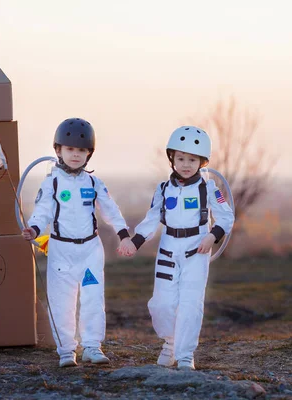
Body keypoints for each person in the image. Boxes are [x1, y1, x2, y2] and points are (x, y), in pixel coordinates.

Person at [22, 118, 137, 367]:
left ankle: (92, 346)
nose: (76, 155)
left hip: (90, 251)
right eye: (71, 149)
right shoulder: (51, 182)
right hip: (61, 251)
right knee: (62, 301)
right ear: (58, 151)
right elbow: (42, 211)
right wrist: (33, 228)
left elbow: (110, 210)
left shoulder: (94, 183)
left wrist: (123, 234)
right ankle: (66, 350)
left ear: (89, 154)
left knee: (93, 299)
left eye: (81, 150)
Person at [118, 126, 234, 370]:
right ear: (172, 158)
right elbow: (151, 220)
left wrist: (212, 237)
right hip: (169, 248)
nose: (186, 164)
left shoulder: (208, 188)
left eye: (192, 159)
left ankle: (184, 354)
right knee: (162, 303)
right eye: (181, 158)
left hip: (198, 249)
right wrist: (134, 242)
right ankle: (169, 342)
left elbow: (226, 218)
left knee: (191, 303)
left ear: (202, 161)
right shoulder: (163, 189)